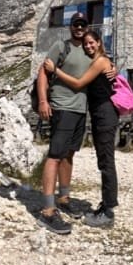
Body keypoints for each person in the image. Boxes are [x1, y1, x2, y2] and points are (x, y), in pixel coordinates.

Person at [45, 29, 118, 229]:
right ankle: (105, 206)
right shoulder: (99, 61)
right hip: (98, 114)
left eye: (92, 42)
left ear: (99, 42)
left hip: (104, 113)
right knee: (103, 160)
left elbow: (78, 84)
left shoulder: (101, 61)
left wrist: (55, 70)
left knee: (106, 161)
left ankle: (108, 211)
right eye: (86, 44)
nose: (88, 46)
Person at [34, 12, 93, 235]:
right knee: (55, 155)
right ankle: (47, 211)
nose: (79, 28)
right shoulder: (61, 46)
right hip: (62, 107)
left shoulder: (89, 50)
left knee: (69, 154)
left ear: (87, 27)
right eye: (76, 24)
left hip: (80, 109)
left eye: (82, 25)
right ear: (70, 27)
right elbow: (43, 72)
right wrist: (43, 101)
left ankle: (64, 198)